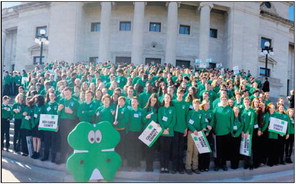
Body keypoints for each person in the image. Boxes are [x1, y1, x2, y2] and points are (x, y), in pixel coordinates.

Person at [210, 95, 233, 171]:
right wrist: (212, 129)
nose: (224, 101)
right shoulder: (216, 109)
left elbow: (231, 120)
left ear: (227, 101)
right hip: (218, 132)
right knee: (218, 150)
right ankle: (217, 165)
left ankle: (224, 164)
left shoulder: (229, 109)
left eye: (225, 99)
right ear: (220, 100)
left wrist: (230, 130)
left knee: (225, 149)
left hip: (226, 132)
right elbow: (213, 120)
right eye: (223, 99)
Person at [57, 87, 79, 164]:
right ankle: (62, 158)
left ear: (71, 92)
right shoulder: (61, 100)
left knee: (70, 139)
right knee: (63, 140)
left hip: (71, 121)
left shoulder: (75, 101)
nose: (66, 94)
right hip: (63, 121)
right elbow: (58, 113)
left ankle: (70, 159)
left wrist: (72, 112)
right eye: (65, 92)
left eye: (67, 92)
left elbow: (78, 114)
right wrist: (59, 110)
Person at [185, 99, 205, 175]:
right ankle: (188, 167)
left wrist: (203, 127)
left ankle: (195, 167)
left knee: (196, 151)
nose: (196, 105)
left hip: (199, 133)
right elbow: (188, 123)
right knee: (190, 150)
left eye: (197, 104)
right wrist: (193, 130)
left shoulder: (201, 112)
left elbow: (203, 122)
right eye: (195, 104)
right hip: (191, 133)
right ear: (193, 105)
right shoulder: (190, 112)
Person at [171, 89, 189, 174]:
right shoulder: (173, 102)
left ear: (183, 94)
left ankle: (180, 168)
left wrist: (186, 128)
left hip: (182, 129)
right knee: (175, 149)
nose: (180, 94)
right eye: (178, 93)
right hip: (174, 129)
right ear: (176, 93)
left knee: (181, 149)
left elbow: (187, 117)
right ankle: (174, 167)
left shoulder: (185, 104)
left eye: (181, 93)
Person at [158, 93, 176, 173]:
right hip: (162, 133)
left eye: (168, 97)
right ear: (164, 99)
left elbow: (174, 120)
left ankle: (166, 167)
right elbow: (159, 120)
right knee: (162, 151)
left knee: (168, 151)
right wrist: (163, 129)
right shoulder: (161, 109)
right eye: (166, 97)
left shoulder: (173, 108)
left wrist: (168, 128)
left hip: (170, 133)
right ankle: (162, 166)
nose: (167, 99)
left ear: (170, 99)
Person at [126, 97, 144, 171]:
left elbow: (143, 121)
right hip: (130, 132)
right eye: (132, 102)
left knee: (138, 149)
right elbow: (126, 121)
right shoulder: (129, 110)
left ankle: (137, 164)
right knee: (130, 149)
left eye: (135, 102)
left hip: (138, 132)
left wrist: (146, 118)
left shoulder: (141, 111)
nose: (133, 103)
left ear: (138, 103)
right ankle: (130, 164)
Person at [143, 93, 159, 172]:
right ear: (150, 100)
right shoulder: (146, 108)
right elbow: (142, 120)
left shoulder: (157, 109)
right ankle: (147, 166)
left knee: (152, 150)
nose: (153, 102)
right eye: (152, 100)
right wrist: (146, 117)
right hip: (147, 130)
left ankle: (151, 166)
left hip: (154, 131)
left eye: (155, 100)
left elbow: (159, 119)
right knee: (147, 150)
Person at [42, 92, 59, 162]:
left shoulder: (57, 105)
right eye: (50, 96)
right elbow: (44, 115)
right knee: (46, 142)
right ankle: (45, 156)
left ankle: (53, 158)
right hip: (47, 126)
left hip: (54, 126)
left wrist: (57, 125)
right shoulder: (46, 105)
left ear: (55, 96)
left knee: (53, 142)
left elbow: (58, 115)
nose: (51, 97)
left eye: (52, 95)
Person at [113, 96, 129, 164]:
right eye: (119, 101)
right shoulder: (116, 109)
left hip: (122, 130)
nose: (121, 102)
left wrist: (118, 122)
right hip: (116, 130)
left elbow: (126, 119)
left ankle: (121, 162)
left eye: (122, 101)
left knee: (122, 147)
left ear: (124, 102)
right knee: (117, 147)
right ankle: (116, 162)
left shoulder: (126, 109)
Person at [241, 97, 255, 170]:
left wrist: (247, 132)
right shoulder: (242, 111)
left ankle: (250, 164)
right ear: (243, 103)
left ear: (249, 102)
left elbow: (251, 122)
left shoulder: (252, 111)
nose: (246, 103)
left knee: (249, 148)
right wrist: (242, 131)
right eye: (245, 102)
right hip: (243, 133)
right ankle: (245, 164)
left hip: (249, 132)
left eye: (247, 102)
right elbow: (241, 122)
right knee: (244, 147)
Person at [31, 95, 46, 159]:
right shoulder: (35, 107)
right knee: (34, 138)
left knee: (38, 138)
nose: (35, 100)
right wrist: (33, 122)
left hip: (40, 124)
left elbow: (44, 116)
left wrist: (41, 123)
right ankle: (34, 151)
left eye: (37, 99)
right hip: (34, 124)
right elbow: (32, 115)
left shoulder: (43, 107)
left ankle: (37, 152)